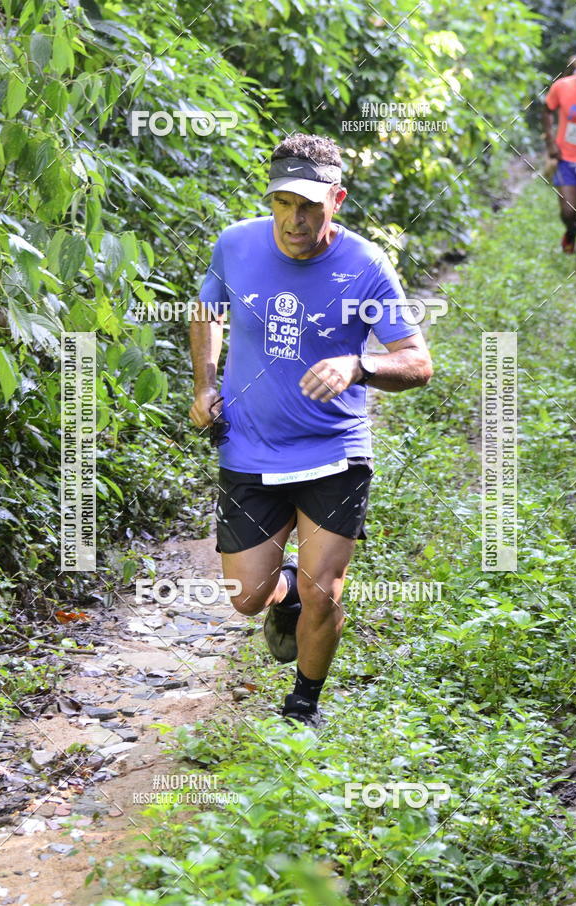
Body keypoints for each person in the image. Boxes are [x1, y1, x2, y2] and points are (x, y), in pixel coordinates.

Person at [189, 133, 433, 728]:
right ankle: (285, 588)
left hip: (334, 451)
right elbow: (205, 311)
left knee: (327, 591)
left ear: (337, 200)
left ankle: (302, 707)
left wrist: (360, 364)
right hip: (249, 444)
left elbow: (418, 362)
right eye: (282, 203)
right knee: (246, 597)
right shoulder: (236, 246)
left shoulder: (367, 265)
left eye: (309, 206)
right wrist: (204, 384)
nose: (294, 220)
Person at [543, 47, 576, 274]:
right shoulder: (562, 87)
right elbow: (546, 110)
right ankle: (571, 231)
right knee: (568, 212)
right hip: (567, 158)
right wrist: (551, 143)